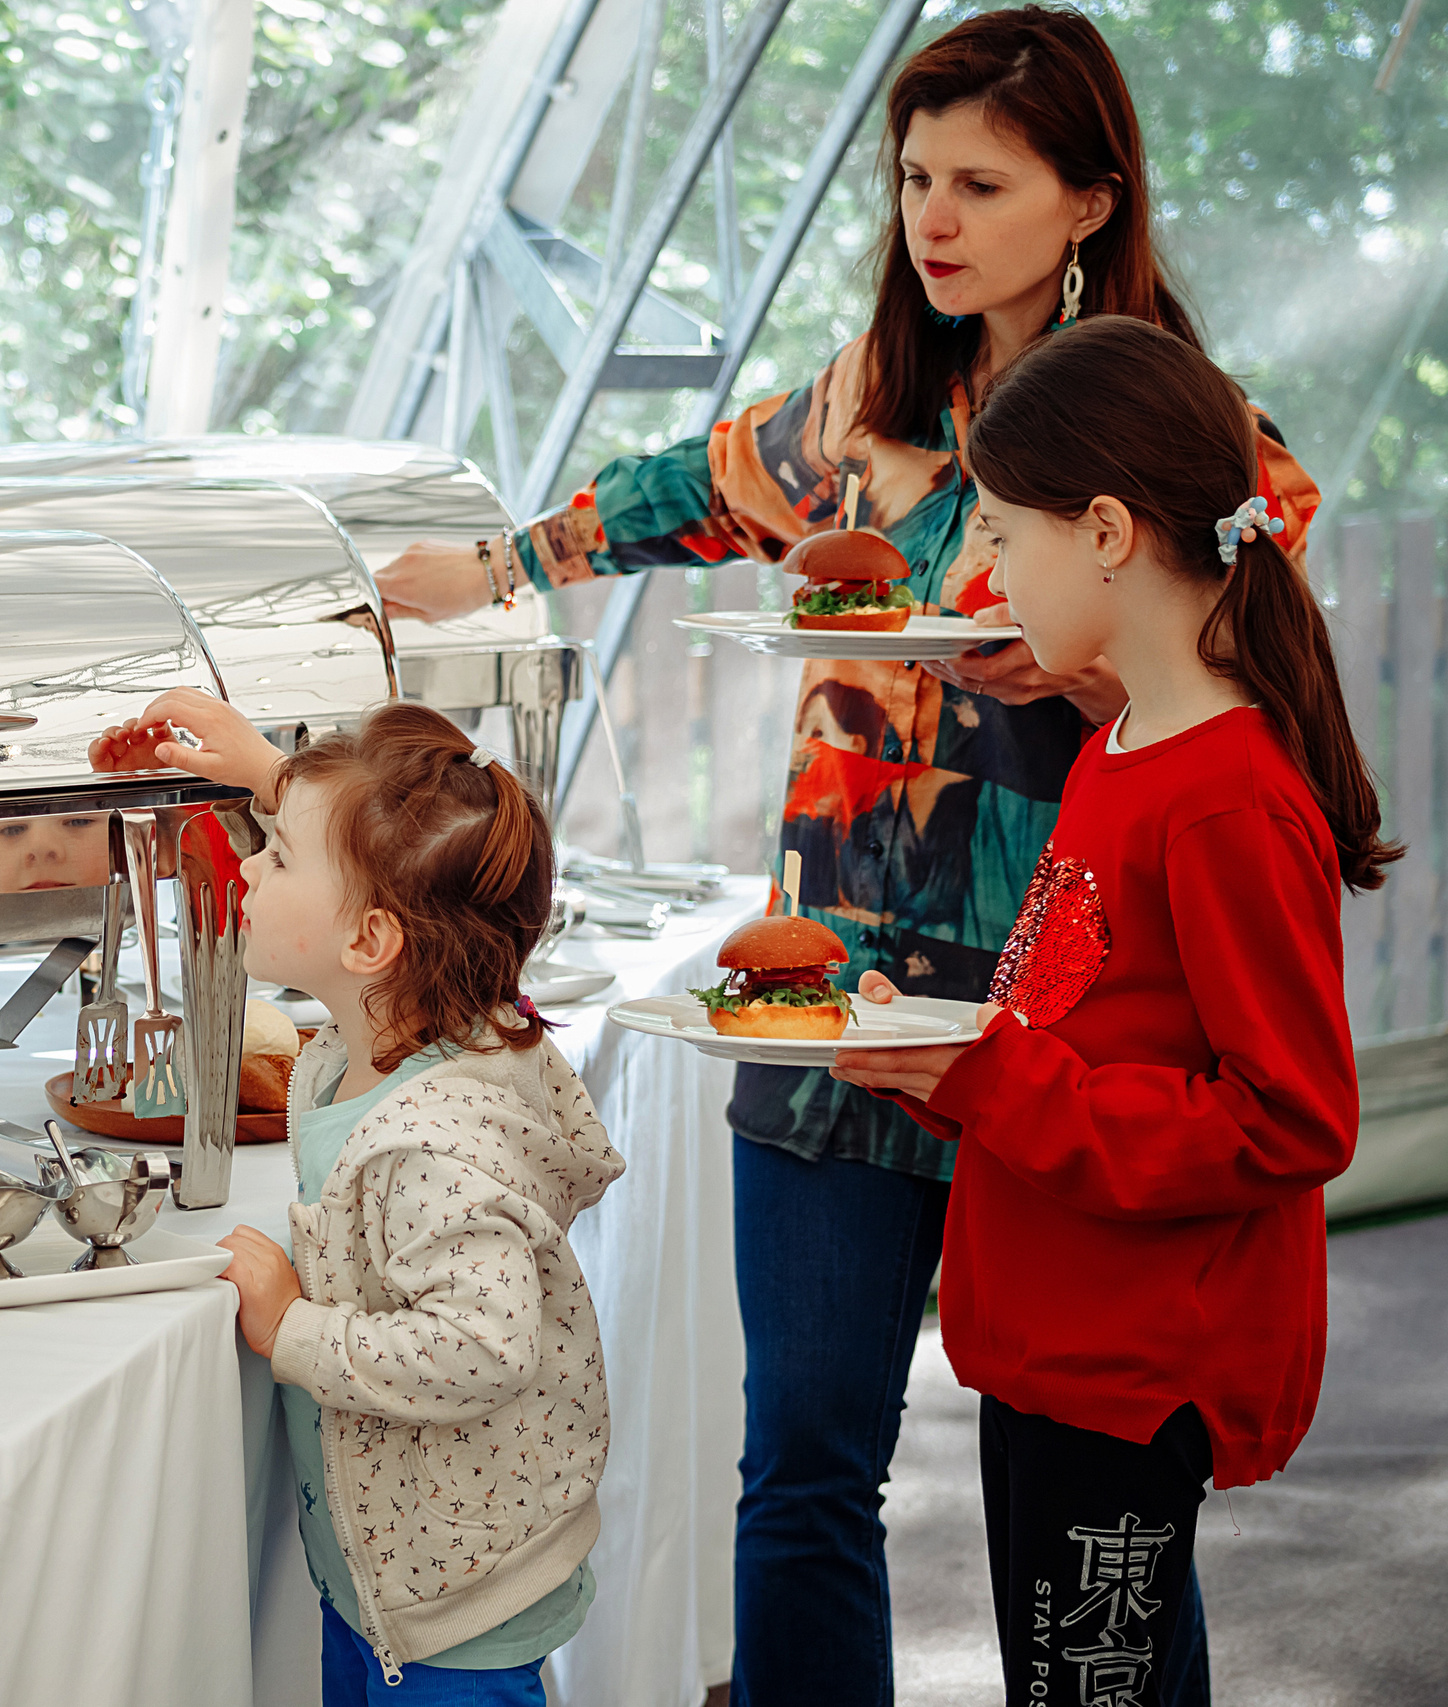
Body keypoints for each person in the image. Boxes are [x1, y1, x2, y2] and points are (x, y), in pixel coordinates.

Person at [375, 12, 1320, 1701]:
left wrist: (1088, 666)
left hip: (1069, 1017)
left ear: (1090, 200)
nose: (932, 218)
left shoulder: (1182, 430)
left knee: (1097, 1494)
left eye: (981, 180)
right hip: (840, 997)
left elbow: (1248, 637)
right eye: (910, 179)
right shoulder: (861, 410)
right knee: (806, 1462)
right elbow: (684, 486)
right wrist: (504, 560)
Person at [831, 315, 1391, 1704]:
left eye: (1004, 533)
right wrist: (945, 1048)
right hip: (1049, 1347)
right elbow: (1082, 1013)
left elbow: (1292, 1115)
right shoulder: (1122, 745)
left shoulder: (1228, 798)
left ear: (1104, 531)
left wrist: (983, 1075)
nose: (984, 572)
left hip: (1131, 1370)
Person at [93, 689, 625, 1706]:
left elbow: (481, 1345)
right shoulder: (424, 1025)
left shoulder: (433, 1142)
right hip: (396, 1573)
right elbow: (365, 848)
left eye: (278, 855)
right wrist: (263, 771)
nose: (248, 864)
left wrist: (291, 1327)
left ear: (372, 943)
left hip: (454, 1610)